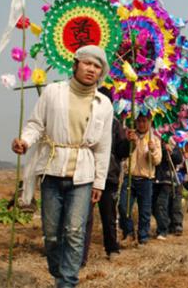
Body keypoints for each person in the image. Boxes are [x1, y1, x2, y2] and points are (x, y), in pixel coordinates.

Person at [11, 45, 113, 287]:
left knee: (75, 232)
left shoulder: (104, 104)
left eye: (97, 66)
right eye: (87, 63)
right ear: (75, 64)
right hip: (51, 170)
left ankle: (67, 282)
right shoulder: (53, 92)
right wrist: (25, 141)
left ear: (101, 73)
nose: (91, 69)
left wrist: (99, 181)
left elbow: (103, 146)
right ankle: (58, 272)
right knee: (52, 234)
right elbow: (36, 124)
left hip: (83, 176)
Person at [82, 87, 130, 266]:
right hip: (86, 174)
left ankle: (112, 248)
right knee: (84, 217)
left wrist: (128, 142)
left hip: (108, 177)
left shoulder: (116, 124)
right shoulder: (87, 118)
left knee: (109, 216)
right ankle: (81, 256)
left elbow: (121, 152)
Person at [118, 113, 162, 245]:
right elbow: (123, 153)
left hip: (145, 179)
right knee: (123, 206)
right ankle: (129, 233)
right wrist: (130, 143)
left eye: (144, 121)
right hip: (129, 178)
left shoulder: (154, 139)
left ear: (149, 122)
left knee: (145, 211)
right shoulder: (131, 135)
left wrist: (152, 150)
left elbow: (157, 161)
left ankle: (143, 237)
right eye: (139, 121)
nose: (141, 124)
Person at [152, 138, 183, 240]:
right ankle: (166, 223)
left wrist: (170, 151)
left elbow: (179, 159)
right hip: (152, 178)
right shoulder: (152, 138)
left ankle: (162, 230)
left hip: (166, 179)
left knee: (161, 204)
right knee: (153, 206)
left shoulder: (173, 141)